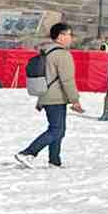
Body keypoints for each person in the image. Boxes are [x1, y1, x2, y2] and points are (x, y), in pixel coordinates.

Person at [16, 22, 83, 167]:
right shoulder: (63, 55)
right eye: (69, 34)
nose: (71, 38)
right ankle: (28, 153)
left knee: (57, 130)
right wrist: (75, 100)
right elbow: (67, 80)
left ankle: (54, 161)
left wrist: (41, 100)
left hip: (46, 96)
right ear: (60, 36)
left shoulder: (45, 52)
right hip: (56, 97)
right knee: (56, 130)